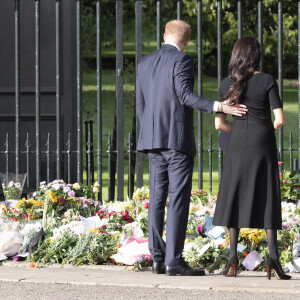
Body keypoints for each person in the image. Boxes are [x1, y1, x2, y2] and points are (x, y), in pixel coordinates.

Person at [136, 20, 247, 276]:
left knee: (156, 198)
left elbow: (140, 105)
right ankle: (173, 261)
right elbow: (184, 95)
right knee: (177, 200)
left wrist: (149, 132)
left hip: (152, 141)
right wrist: (220, 106)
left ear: (164, 35)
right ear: (186, 41)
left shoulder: (144, 62)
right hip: (176, 140)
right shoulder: (182, 61)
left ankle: (157, 258)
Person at [212, 36, 291, 280]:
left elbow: (219, 124)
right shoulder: (266, 80)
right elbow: (279, 120)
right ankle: (273, 259)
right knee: (267, 193)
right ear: (256, 56)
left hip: (236, 143)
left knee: (234, 192)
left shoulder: (227, 83)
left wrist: (241, 132)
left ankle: (232, 260)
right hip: (262, 142)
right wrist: (262, 131)